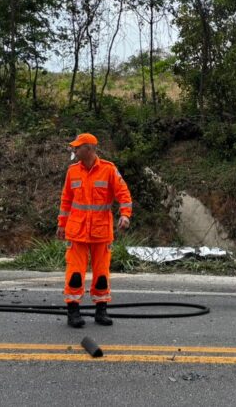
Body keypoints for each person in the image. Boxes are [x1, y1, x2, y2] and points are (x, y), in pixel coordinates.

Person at [56, 133, 132, 328]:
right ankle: (73, 312)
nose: (74, 150)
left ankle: (101, 310)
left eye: (78, 147)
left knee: (101, 275)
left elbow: (123, 194)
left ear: (89, 149)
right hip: (77, 232)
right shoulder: (72, 171)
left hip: (101, 232)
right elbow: (66, 201)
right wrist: (61, 225)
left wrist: (125, 214)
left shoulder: (108, 169)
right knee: (74, 273)